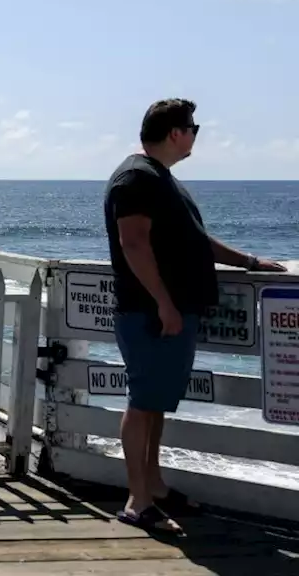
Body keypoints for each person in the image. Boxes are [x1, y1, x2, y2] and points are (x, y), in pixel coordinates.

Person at [103, 98, 286, 535]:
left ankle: (155, 486)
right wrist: (164, 303)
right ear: (174, 133)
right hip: (150, 312)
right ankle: (137, 502)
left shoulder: (162, 180)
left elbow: (195, 241)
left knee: (157, 403)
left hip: (169, 310)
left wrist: (248, 261)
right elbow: (133, 244)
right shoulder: (136, 179)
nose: (195, 136)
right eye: (193, 128)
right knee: (144, 401)